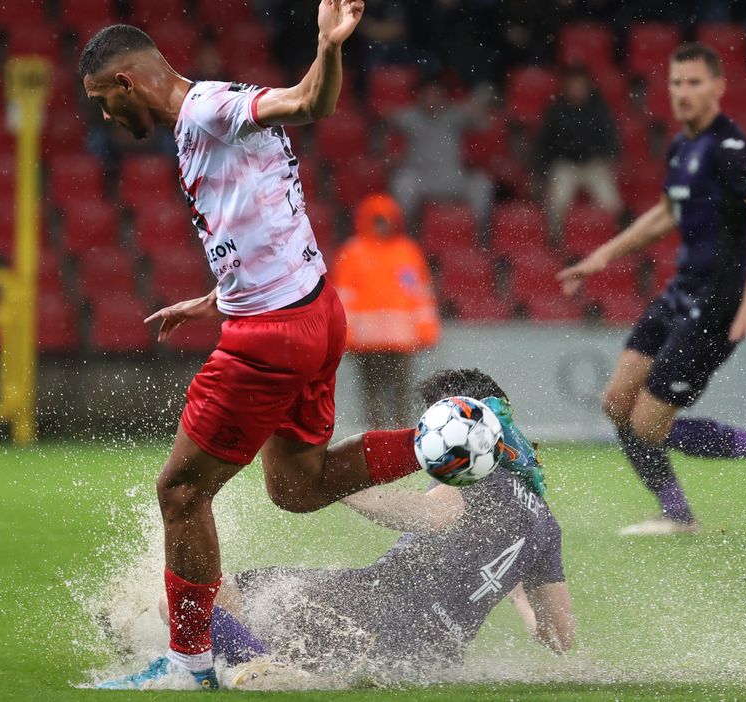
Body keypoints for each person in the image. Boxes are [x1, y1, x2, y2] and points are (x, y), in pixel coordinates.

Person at [78, 3, 443, 690]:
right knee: (297, 488)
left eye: (102, 102)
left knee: (181, 490)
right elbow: (264, 215)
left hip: (269, 338)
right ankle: (446, 440)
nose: (103, 117)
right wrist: (215, 294)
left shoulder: (207, 109)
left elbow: (310, 101)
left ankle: (189, 667)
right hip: (313, 312)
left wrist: (328, 48)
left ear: (126, 84)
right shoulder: (203, 124)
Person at [126, 368, 569, 688]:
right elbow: (559, 636)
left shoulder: (476, 474)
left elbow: (428, 515)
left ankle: (260, 669)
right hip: (433, 661)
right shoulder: (544, 523)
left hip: (374, 606)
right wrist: (515, 592)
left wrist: (324, 483)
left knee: (193, 603)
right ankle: (275, 664)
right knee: (264, 622)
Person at [556, 43, 746, 536]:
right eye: (676, 83)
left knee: (649, 424)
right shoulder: (682, 146)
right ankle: (676, 514)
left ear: (718, 88)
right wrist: (604, 255)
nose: (684, 92)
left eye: (694, 82)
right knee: (616, 403)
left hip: (717, 304)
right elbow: (668, 212)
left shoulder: (729, 148)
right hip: (680, 292)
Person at [330, 193, 440, 429]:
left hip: (401, 342)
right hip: (367, 344)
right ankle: (377, 442)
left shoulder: (406, 252)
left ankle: (400, 440)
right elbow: (343, 299)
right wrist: (344, 335)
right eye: (377, 220)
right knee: (373, 399)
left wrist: (427, 330)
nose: (381, 226)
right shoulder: (353, 253)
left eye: (384, 220)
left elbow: (419, 296)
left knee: (401, 397)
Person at [388, 78, 495, 229]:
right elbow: (383, 121)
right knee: (404, 183)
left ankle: (478, 236)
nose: (432, 99)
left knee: (482, 184)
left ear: (444, 97)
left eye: (436, 94)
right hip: (422, 178)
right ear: (419, 96)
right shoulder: (409, 116)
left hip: (453, 178)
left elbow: (484, 124)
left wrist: (480, 101)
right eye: (428, 94)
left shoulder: (455, 114)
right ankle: (404, 235)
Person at [534, 64, 623, 244]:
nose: (577, 89)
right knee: (556, 201)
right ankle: (555, 242)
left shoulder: (599, 109)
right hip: (566, 164)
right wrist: (543, 172)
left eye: (580, 84)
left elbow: (612, 142)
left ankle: (617, 242)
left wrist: (607, 160)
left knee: (612, 203)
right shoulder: (556, 110)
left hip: (594, 164)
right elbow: (544, 145)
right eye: (573, 84)